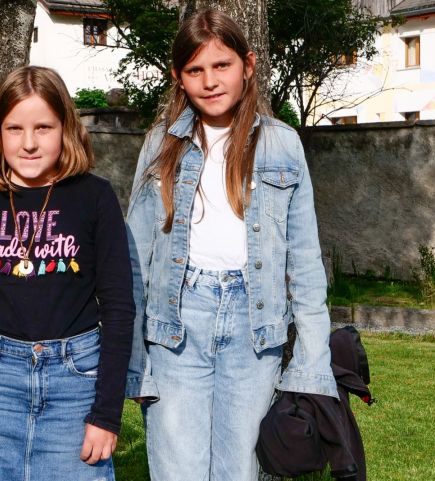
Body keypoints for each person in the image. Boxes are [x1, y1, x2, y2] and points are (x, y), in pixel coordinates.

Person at [125, 10, 339, 481]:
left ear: (248, 64)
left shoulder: (283, 145)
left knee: (239, 468)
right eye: (195, 70)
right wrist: (135, 359)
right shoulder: (160, 144)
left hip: (254, 329)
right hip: (176, 325)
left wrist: (312, 362)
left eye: (222, 65)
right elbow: (134, 258)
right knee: (178, 468)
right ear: (178, 77)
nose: (210, 81)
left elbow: (305, 263)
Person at [0, 65, 134, 481]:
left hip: (75, 384)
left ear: (66, 128)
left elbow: (119, 308)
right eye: (14, 129)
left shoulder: (95, 197)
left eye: (43, 127)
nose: (29, 143)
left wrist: (106, 414)